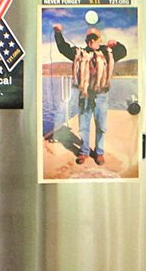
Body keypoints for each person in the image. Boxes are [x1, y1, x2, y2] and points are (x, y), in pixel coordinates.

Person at [53, 22, 127, 166]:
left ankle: (99, 153)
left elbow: (123, 52)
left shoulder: (107, 52)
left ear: (100, 39)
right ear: (87, 40)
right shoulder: (80, 52)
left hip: (101, 96)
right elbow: (63, 48)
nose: (92, 41)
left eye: (95, 38)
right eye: (89, 39)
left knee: (101, 125)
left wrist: (116, 44)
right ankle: (84, 151)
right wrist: (58, 33)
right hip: (84, 94)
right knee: (84, 126)